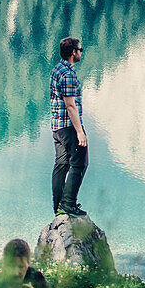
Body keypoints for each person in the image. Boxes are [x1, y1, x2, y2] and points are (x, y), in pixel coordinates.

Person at [50, 36, 88, 217]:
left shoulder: (57, 69)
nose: (81, 52)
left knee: (61, 165)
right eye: (80, 50)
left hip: (57, 127)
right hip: (69, 127)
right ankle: (68, 204)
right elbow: (70, 105)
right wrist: (80, 132)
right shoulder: (68, 75)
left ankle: (58, 206)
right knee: (79, 163)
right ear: (73, 52)